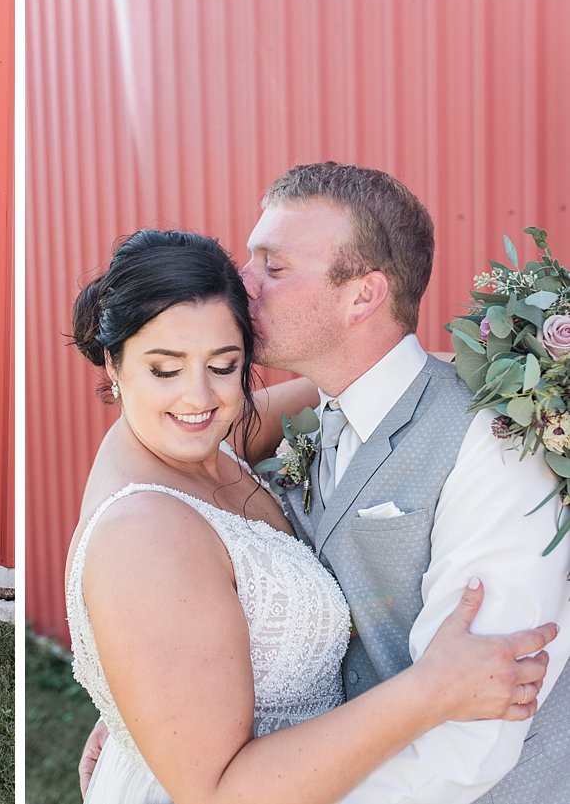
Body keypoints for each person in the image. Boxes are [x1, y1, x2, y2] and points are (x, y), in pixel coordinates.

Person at [80, 165, 570, 803]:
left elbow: (473, 737)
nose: (242, 284)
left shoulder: (489, 445)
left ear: (362, 296)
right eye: (249, 260)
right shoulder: (305, 424)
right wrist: (151, 693)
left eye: (272, 268)